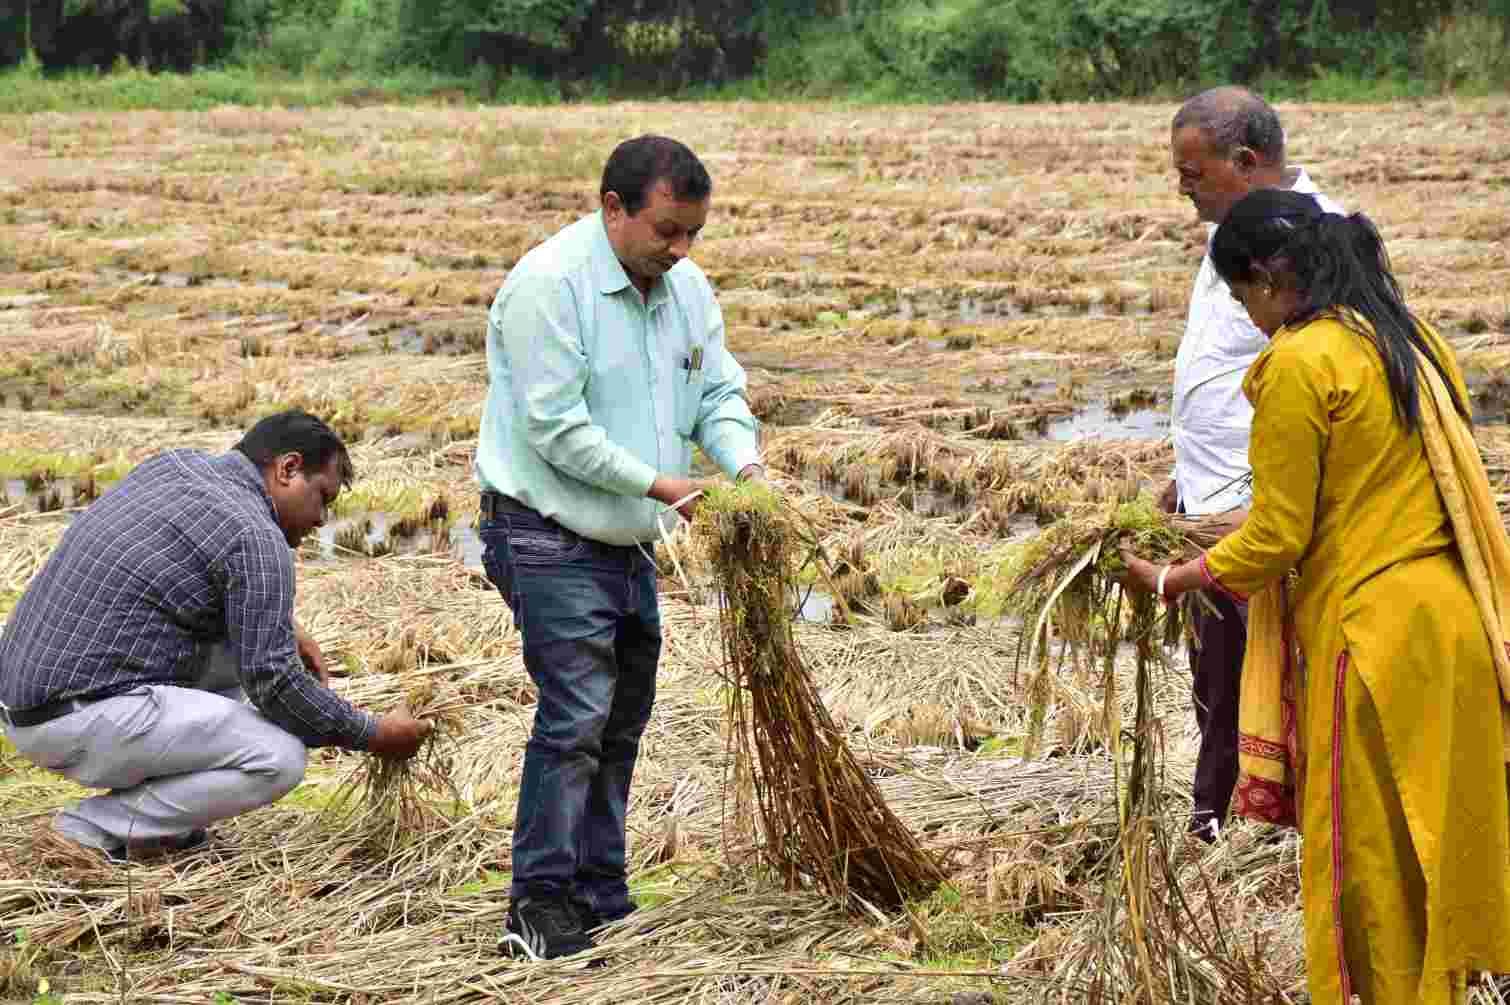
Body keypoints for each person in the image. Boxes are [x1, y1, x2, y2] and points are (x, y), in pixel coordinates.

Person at [1122, 189, 1510, 1005]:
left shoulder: (1301, 363)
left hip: (1370, 643)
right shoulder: (1412, 341)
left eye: (1242, 297)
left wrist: (1170, 577)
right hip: (1453, 628)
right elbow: (1360, 491)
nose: (1249, 318)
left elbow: (1277, 539)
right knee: (1434, 840)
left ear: (1269, 277)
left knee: (1362, 857)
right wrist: (1205, 521)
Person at [476, 135, 763, 960]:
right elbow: (556, 429)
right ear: (613, 208)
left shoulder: (686, 287)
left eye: (692, 236)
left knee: (622, 716)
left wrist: (742, 460)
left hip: (632, 540)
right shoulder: (549, 285)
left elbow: (717, 390)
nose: (681, 252)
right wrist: (662, 485)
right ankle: (537, 905)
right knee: (575, 715)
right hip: (546, 529)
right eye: (667, 231)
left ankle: (599, 888)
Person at [0, 410, 432, 862]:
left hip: (23, 696)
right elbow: (279, 686)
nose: (322, 519)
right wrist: (374, 734)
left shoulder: (175, 466)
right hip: (69, 716)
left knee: (246, 666)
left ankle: (161, 820)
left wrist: (284, 624)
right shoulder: (255, 535)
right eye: (322, 497)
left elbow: (182, 570)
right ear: (287, 470)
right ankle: (89, 832)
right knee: (278, 757)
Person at [1164, 86, 1343, 841]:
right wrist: (1184, 471)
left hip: (1264, 511)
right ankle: (1219, 820)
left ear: (1246, 160)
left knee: (1271, 673)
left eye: (1194, 172)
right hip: (1210, 499)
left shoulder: (1316, 241)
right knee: (1219, 678)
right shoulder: (1230, 237)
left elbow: (1321, 377)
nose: (1183, 187)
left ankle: (1273, 829)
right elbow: (1219, 362)